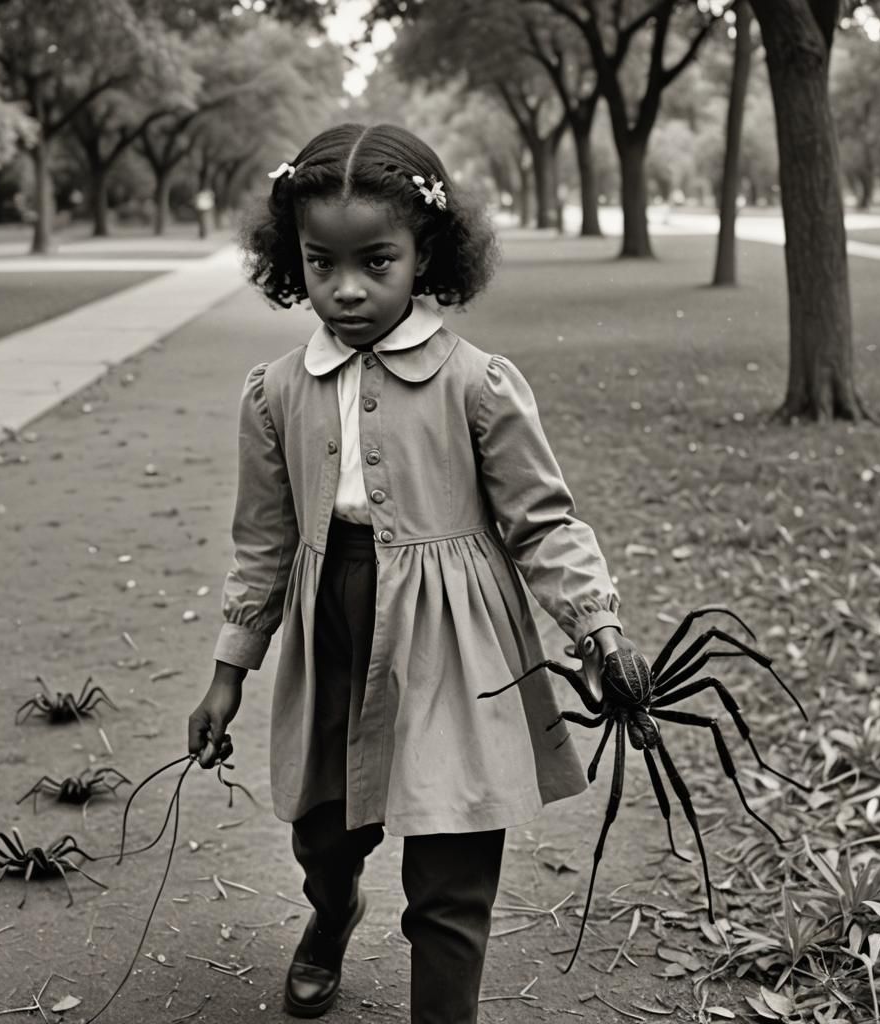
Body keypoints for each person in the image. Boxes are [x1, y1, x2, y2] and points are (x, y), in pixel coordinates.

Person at [187, 122, 643, 1023]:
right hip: (333, 627)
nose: (347, 288)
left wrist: (597, 626)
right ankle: (333, 911)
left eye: (377, 261)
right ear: (294, 259)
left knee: (454, 864)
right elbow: (263, 543)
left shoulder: (479, 384)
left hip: (456, 642)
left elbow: (541, 521)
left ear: (426, 251)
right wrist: (228, 670)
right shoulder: (273, 392)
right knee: (326, 834)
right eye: (322, 263)